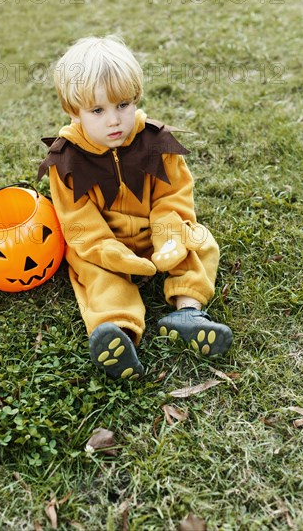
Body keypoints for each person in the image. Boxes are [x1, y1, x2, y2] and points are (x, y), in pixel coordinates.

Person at [38, 35, 233, 381]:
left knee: (199, 241)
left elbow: (173, 199)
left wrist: (168, 239)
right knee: (94, 274)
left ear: (135, 98)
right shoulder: (65, 161)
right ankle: (119, 334)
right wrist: (114, 255)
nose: (114, 120)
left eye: (123, 105)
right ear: (73, 111)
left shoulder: (157, 142)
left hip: (156, 233)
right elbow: (79, 223)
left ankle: (187, 313)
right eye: (98, 110)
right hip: (104, 245)